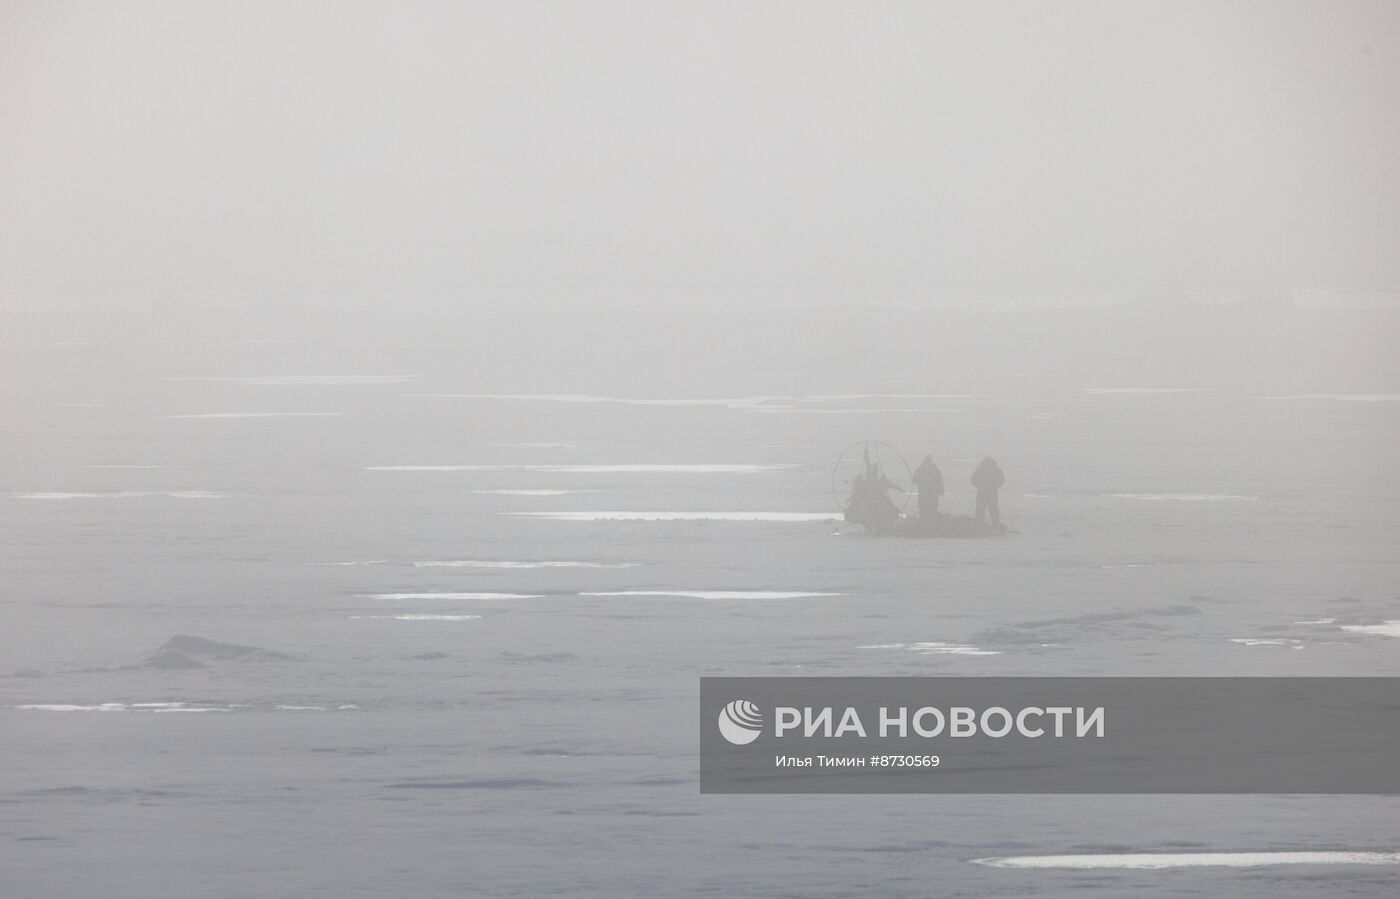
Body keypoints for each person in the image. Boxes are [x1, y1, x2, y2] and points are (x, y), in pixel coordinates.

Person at [970, 456, 1004, 526]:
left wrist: (993, 485)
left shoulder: (983, 468)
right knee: (983, 509)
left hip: (988, 492)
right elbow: (973, 479)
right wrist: (981, 485)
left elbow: (1001, 479)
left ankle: (985, 524)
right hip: (985, 492)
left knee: (989, 509)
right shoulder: (993, 468)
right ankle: (981, 524)